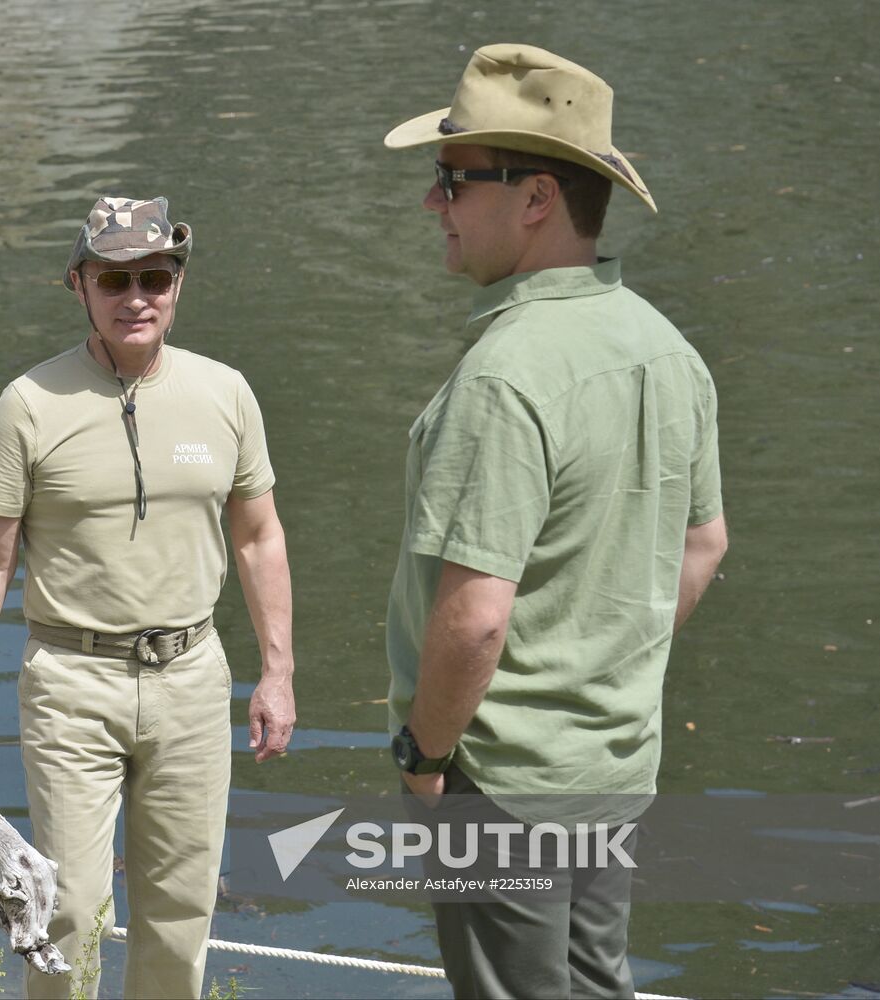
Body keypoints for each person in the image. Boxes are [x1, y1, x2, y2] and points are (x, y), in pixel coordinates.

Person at [381, 44, 728, 997]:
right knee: (592, 984)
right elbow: (701, 547)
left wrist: (425, 757)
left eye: (451, 181)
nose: (431, 204)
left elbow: (476, 616)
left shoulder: (504, 376)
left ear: (534, 198)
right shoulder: (665, 349)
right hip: (611, 760)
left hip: (499, 781)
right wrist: (600, 667)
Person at [0, 196, 296, 1000]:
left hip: (193, 676)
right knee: (68, 907)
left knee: (182, 908)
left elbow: (259, 538)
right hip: (72, 682)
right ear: (78, 285)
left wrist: (277, 672)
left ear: (177, 283)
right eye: (114, 280)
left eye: (154, 276)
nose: (136, 297)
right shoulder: (29, 403)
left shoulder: (225, 393)